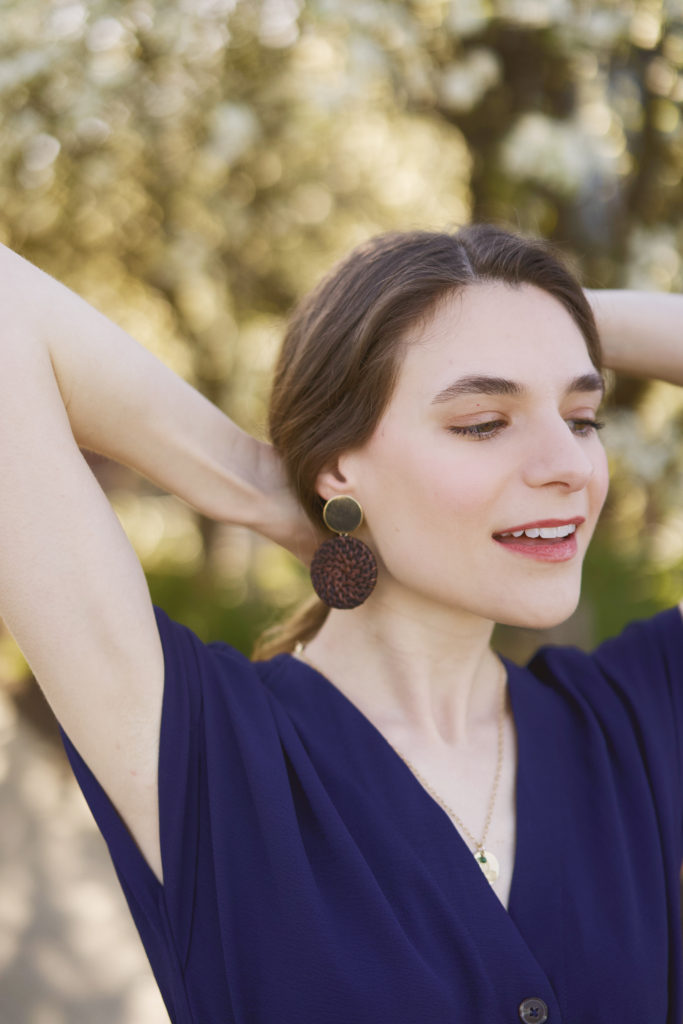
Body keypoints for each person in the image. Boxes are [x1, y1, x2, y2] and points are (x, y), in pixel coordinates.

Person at [0, 225, 681, 1024]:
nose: (567, 464)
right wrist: (254, 482)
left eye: (580, 416)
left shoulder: (637, 716)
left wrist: (537, 313)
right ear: (337, 467)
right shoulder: (206, 751)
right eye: (482, 423)